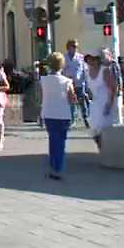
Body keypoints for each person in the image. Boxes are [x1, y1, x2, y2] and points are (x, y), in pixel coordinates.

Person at [40, 52, 77, 180]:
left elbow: (41, 96)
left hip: (49, 113)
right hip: (63, 114)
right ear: (62, 65)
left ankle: (53, 167)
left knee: (52, 140)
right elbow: (72, 99)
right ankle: (59, 168)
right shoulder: (67, 81)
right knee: (61, 142)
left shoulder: (43, 80)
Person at [84, 51, 119, 149]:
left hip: (106, 103)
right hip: (95, 105)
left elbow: (113, 88)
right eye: (88, 59)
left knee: (105, 131)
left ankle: (107, 151)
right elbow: (90, 88)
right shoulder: (87, 72)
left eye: (92, 59)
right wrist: (89, 95)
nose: (90, 61)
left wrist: (109, 104)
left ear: (97, 59)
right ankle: (102, 150)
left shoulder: (105, 71)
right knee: (95, 131)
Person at [63, 40, 89, 128]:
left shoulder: (81, 58)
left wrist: (86, 84)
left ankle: (86, 118)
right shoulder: (64, 58)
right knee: (70, 102)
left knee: (82, 101)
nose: (75, 49)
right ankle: (72, 119)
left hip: (79, 84)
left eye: (76, 47)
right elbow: (62, 71)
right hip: (68, 84)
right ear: (68, 47)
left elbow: (85, 71)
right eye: (73, 47)